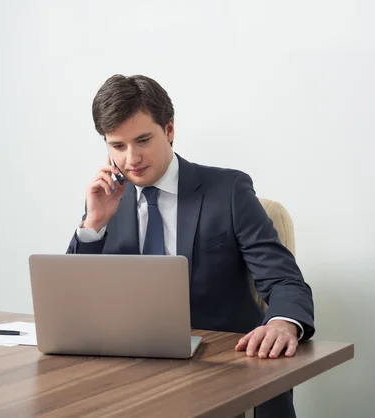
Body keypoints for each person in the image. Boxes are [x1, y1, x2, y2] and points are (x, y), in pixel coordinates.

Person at [66, 74, 314, 418]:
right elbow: (73, 306)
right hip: (130, 376)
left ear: (169, 130)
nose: (132, 158)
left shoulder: (228, 191)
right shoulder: (108, 200)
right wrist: (93, 224)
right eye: (118, 146)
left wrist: (282, 324)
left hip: (223, 370)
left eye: (143, 140)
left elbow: (285, 281)